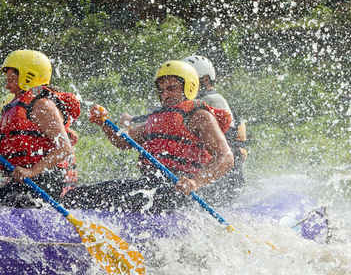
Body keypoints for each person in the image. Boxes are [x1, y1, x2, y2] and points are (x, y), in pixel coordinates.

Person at [65, 60, 234, 212]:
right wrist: (104, 123)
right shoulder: (158, 118)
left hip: (180, 191)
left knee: (130, 197)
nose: (165, 94)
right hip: (151, 185)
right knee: (76, 196)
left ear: (189, 87)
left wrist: (196, 182)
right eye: (161, 90)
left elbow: (226, 157)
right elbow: (123, 142)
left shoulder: (199, 116)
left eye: (171, 88)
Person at [0, 50, 80, 208]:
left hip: (43, 185)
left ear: (28, 76)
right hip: (22, 184)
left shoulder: (42, 105)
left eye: (11, 79)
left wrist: (32, 171)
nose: (7, 85)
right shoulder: (17, 108)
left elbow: (64, 148)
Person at [183, 54, 248, 201]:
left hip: (223, 179)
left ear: (205, 80)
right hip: (226, 177)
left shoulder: (211, 100)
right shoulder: (211, 100)